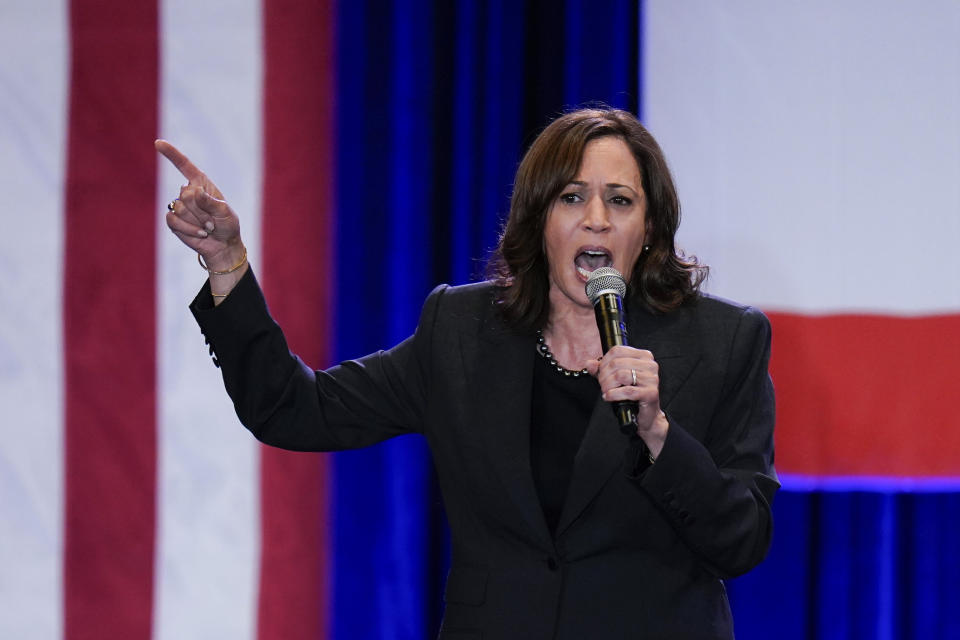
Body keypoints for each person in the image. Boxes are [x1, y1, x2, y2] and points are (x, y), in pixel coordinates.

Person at [156, 107, 777, 639]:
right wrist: (227, 265)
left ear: (648, 230)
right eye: (571, 196)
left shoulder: (723, 342)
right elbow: (292, 408)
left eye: (620, 200)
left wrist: (659, 435)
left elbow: (742, 541)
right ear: (539, 223)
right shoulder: (461, 331)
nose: (596, 219)